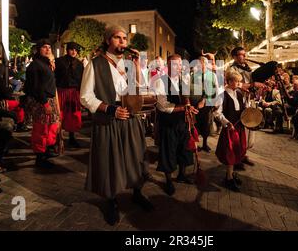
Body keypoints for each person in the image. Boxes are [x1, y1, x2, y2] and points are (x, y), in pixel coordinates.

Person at [80, 25, 154, 226]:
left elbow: (139, 90)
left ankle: (137, 193)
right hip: (109, 120)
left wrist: (138, 67)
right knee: (110, 162)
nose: (123, 42)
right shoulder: (94, 64)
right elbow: (85, 97)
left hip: (131, 118)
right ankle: (111, 201)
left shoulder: (130, 64)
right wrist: (110, 109)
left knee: (136, 158)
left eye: (124, 38)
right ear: (107, 40)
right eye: (118, 38)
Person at [154, 54, 200, 196]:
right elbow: (162, 106)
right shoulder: (160, 81)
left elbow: (186, 98)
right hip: (168, 123)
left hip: (183, 122)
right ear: (168, 66)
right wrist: (183, 108)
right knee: (168, 151)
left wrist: (189, 106)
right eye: (175, 64)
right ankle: (168, 181)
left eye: (180, 64)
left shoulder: (182, 81)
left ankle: (182, 175)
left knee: (184, 150)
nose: (178, 67)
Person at [24, 39, 60, 168]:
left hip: (49, 99)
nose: (48, 49)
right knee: (41, 129)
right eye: (44, 47)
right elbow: (36, 87)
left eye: (49, 47)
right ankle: (40, 156)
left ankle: (47, 151)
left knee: (51, 127)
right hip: (41, 101)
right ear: (39, 49)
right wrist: (45, 103)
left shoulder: (45, 64)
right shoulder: (35, 65)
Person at [214, 71, 247, 192]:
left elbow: (244, 109)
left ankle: (231, 174)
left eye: (239, 81)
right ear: (230, 81)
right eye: (237, 81)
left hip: (239, 127)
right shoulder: (222, 95)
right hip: (230, 128)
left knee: (237, 151)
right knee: (230, 153)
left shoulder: (239, 93)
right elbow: (217, 112)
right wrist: (226, 123)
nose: (239, 83)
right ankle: (228, 178)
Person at [54, 42, 84, 148]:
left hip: (74, 92)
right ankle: (57, 137)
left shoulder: (80, 64)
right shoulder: (58, 62)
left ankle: (72, 137)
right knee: (59, 114)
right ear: (67, 50)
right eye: (72, 49)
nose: (74, 52)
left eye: (76, 50)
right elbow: (54, 76)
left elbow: (81, 80)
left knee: (73, 115)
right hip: (61, 91)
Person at [190, 54, 218, 152]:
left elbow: (215, 90)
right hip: (195, 104)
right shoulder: (193, 75)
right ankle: (195, 144)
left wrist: (206, 100)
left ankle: (205, 144)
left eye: (201, 64)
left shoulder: (212, 75)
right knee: (195, 124)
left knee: (206, 124)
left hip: (207, 104)